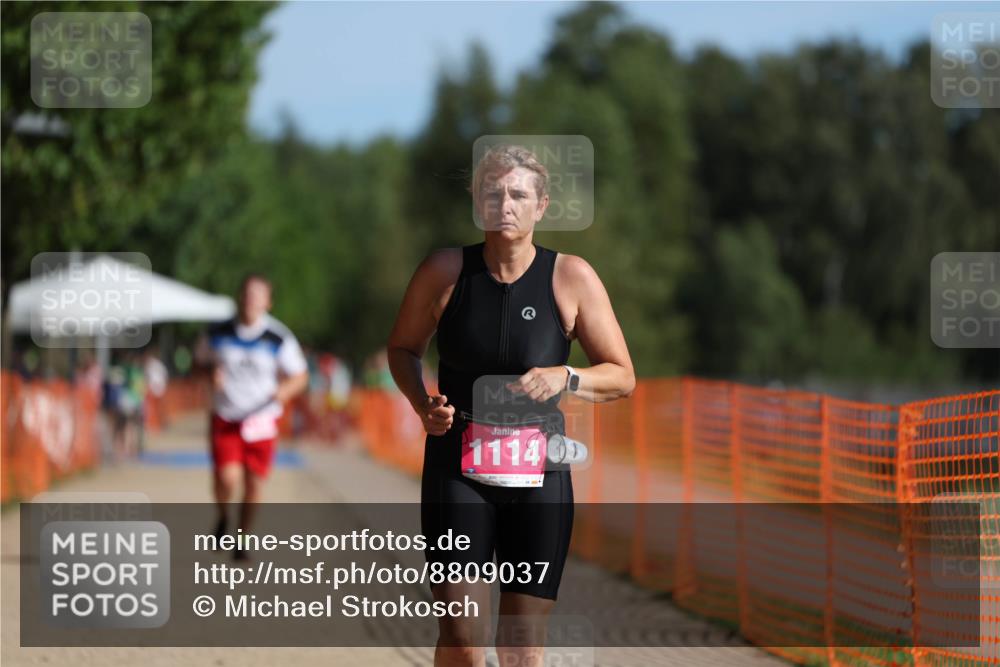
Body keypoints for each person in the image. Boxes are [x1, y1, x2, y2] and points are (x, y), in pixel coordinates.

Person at [387, 145, 635, 666]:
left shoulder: (571, 277)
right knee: (462, 638)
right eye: (493, 192)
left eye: (519, 194)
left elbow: (621, 375)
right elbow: (403, 348)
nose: (505, 203)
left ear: (541, 206)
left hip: (540, 477)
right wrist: (420, 403)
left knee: (521, 648)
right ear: (477, 202)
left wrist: (564, 375)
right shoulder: (444, 271)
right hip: (458, 472)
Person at [195, 273, 309, 561]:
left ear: (268, 303)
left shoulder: (278, 336)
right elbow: (198, 363)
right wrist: (210, 374)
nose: (251, 300)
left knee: (254, 483)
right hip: (227, 416)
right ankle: (223, 516)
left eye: (258, 295)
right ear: (239, 297)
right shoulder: (217, 332)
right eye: (246, 294)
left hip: (261, 419)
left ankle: (243, 539)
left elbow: (300, 376)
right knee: (227, 479)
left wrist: (284, 391)